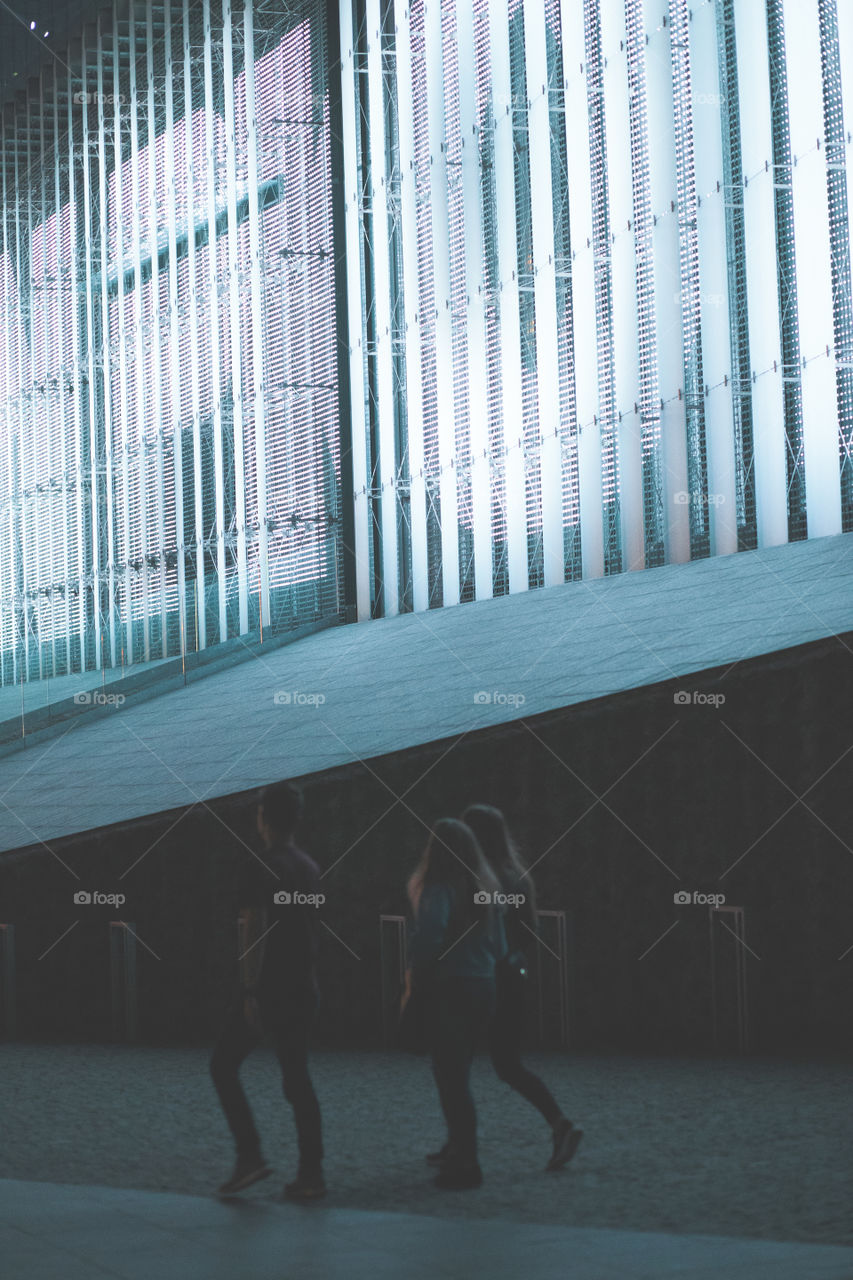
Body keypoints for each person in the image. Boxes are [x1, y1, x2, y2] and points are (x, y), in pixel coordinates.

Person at [210, 780, 325, 1200]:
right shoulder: (309, 867)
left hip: (270, 986)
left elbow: (254, 929)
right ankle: (312, 1173)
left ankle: (250, 1155)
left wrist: (249, 990)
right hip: (303, 984)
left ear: (263, 818)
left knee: (223, 1065)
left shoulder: (260, 866)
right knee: (297, 1079)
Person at [460, 803, 582, 1173]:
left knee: (453, 1063)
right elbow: (530, 931)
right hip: (511, 976)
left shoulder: (475, 879)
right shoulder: (517, 877)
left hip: (475, 977)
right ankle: (558, 1121)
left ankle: (457, 1144)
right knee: (508, 1064)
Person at [405, 818, 505, 1190]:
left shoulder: (438, 886)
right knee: (458, 1074)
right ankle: (459, 1149)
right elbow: (500, 946)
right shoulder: (486, 889)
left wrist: (415, 977)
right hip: (484, 984)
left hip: (450, 987)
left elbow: (429, 935)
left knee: (450, 1077)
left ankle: (465, 1160)